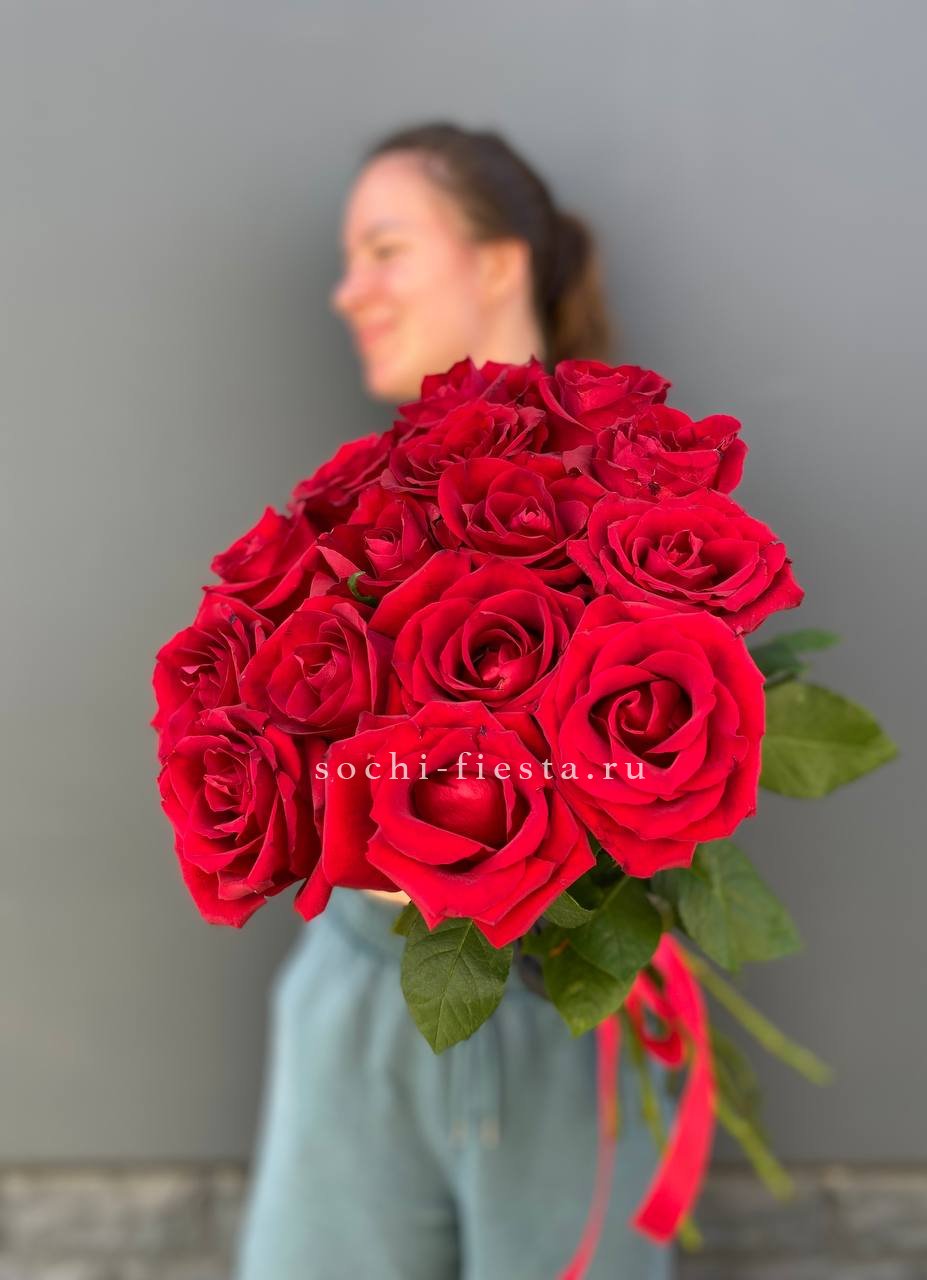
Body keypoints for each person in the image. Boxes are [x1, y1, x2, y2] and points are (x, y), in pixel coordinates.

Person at [235, 122, 674, 1280]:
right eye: (349, 260)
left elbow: (689, 744)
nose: (349, 291)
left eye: (385, 250)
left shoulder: (643, 508)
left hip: (566, 1006)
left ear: (497, 263)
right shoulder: (356, 521)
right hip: (358, 1001)